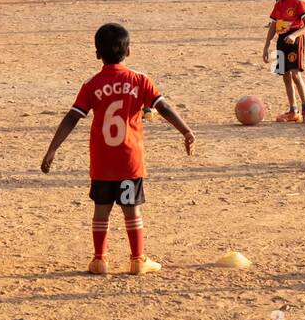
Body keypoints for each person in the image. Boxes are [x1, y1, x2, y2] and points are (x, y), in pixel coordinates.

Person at [41, 22, 194, 275]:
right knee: (131, 209)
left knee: (101, 211)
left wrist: (52, 149)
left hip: (102, 162)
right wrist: (186, 131)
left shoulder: (91, 84)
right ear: (129, 51)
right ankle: (137, 259)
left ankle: (99, 260)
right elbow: (163, 108)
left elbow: (72, 116)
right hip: (129, 160)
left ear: (97, 53)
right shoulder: (139, 80)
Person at [263, 0, 305, 123]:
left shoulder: (299, 2)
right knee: (284, 75)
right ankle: (293, 110)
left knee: (295, 75)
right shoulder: (279, 1)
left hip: (294, 40)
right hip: (281, 41)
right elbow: (274, 23)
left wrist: (295, 35)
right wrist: (267, 44)